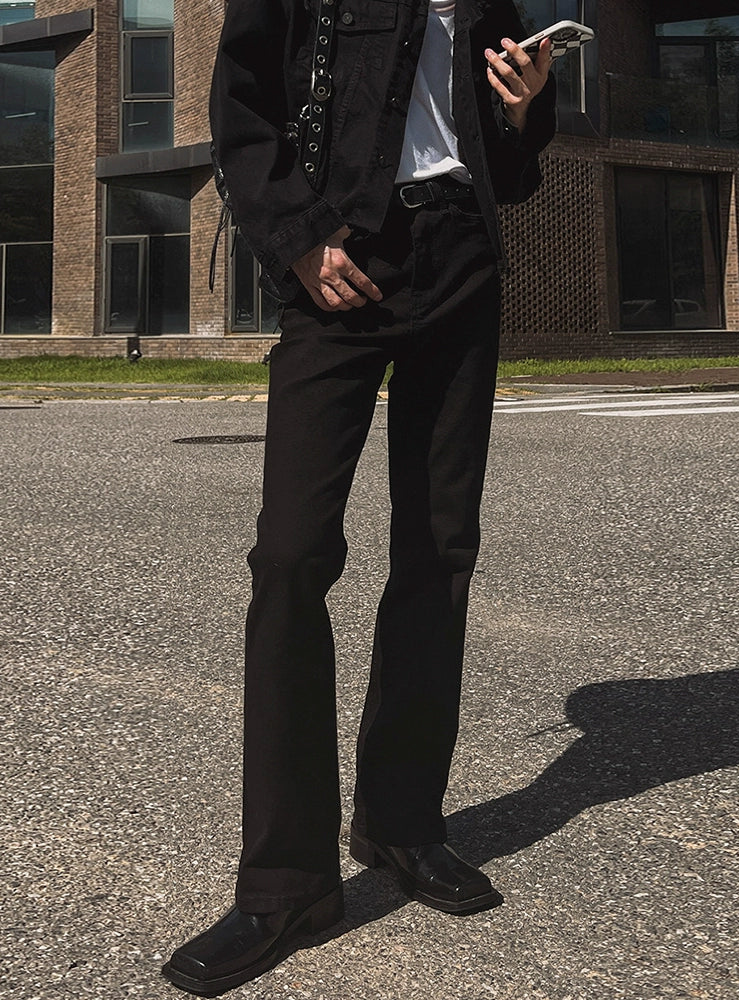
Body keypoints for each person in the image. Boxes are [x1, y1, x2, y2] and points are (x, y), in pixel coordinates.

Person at [163, 0, 555, 994]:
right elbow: (243, 98)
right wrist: (296, 235)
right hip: (340, 262)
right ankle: (285, 883)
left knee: (439, 548)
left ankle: (401, 823)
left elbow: (505, 161)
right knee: (291, 557)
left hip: (461, 253)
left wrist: (522, 108)